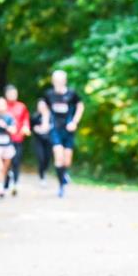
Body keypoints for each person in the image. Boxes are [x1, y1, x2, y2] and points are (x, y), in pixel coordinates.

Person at [42, 70, 84, 198]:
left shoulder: (72, 94)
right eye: (55, 80)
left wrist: (75, 122)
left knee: (67, 160)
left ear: (64, 81)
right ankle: (61, 187)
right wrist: (45, 122)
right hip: (55, 130)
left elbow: (80, 106)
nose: (58, 83)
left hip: (69, 130)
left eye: (60, 80)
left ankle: (64, 174)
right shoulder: (49, 94)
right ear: (53, 81)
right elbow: (44, 108)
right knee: (58, 156)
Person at [3, 84, 30, 196]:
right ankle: (5, 182)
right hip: (4, 140)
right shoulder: (2, 106)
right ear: (6, 94)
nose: (13, 95)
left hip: (18, 138)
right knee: (6, 162)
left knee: (16, 161)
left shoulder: (21, 106)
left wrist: (26, 127)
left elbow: (26, 120)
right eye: (10, 93)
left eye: (15, 93)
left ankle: (15, 184)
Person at [31, 98, 52, 184]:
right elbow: (30, 126)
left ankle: (44, 171)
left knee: (47, 158)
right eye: (39, 105)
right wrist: (35, 129)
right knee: (41, 158)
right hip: (38, 140)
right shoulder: (35, 116)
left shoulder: (52, 116)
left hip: (49, 140)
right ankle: (42, 176)